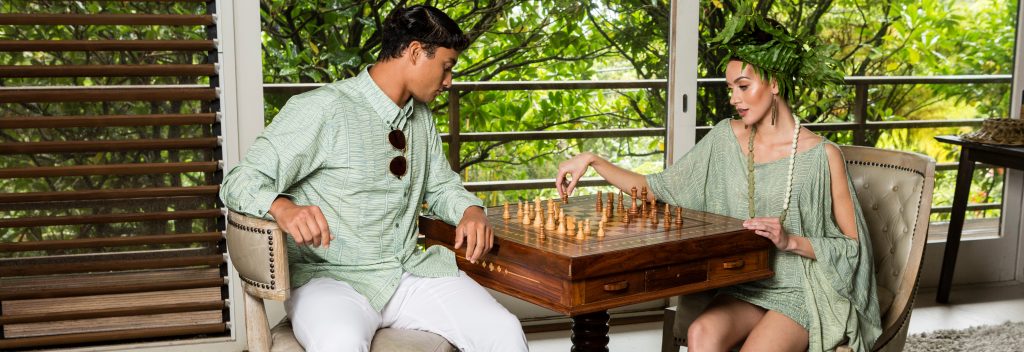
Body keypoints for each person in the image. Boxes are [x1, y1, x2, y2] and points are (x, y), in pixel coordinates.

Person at [555, 5, 881, 352]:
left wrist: (790, 242)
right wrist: (593, 160)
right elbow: (655, 190)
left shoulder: (823, 155)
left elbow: (853, 249)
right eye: (730, 87)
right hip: (749, 280)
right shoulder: (725, 138)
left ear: (773, 82)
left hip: (803, 287)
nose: (733, 98)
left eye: (743, 85)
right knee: (700, 335)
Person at [220, 5, 527, 352]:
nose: (448, 82)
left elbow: (441, 186)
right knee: (341, 343)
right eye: (446, 67)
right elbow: (238, 181)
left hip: (407, 272)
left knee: (503, 331)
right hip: (330, 281)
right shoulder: (321, 109)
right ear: (414, 52)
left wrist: (470, 210)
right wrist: (283, 208)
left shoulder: (421, 118)